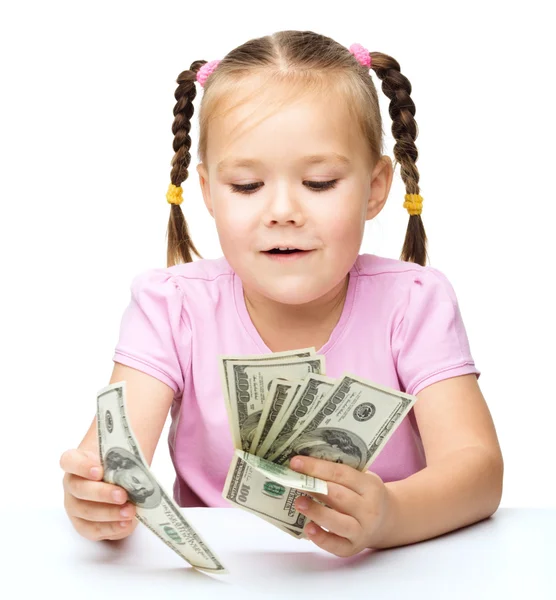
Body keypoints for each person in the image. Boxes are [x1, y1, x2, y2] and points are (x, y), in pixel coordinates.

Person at [60, 30, 504, 557]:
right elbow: (110, 458)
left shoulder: (413, 302)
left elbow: (479, 470)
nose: (282, 211)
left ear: (376, 188)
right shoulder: (172, 307)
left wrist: (391, 516)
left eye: (319, 182)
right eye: (247, 186)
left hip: (393, 574)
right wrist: (94, 497)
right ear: (207, 191)